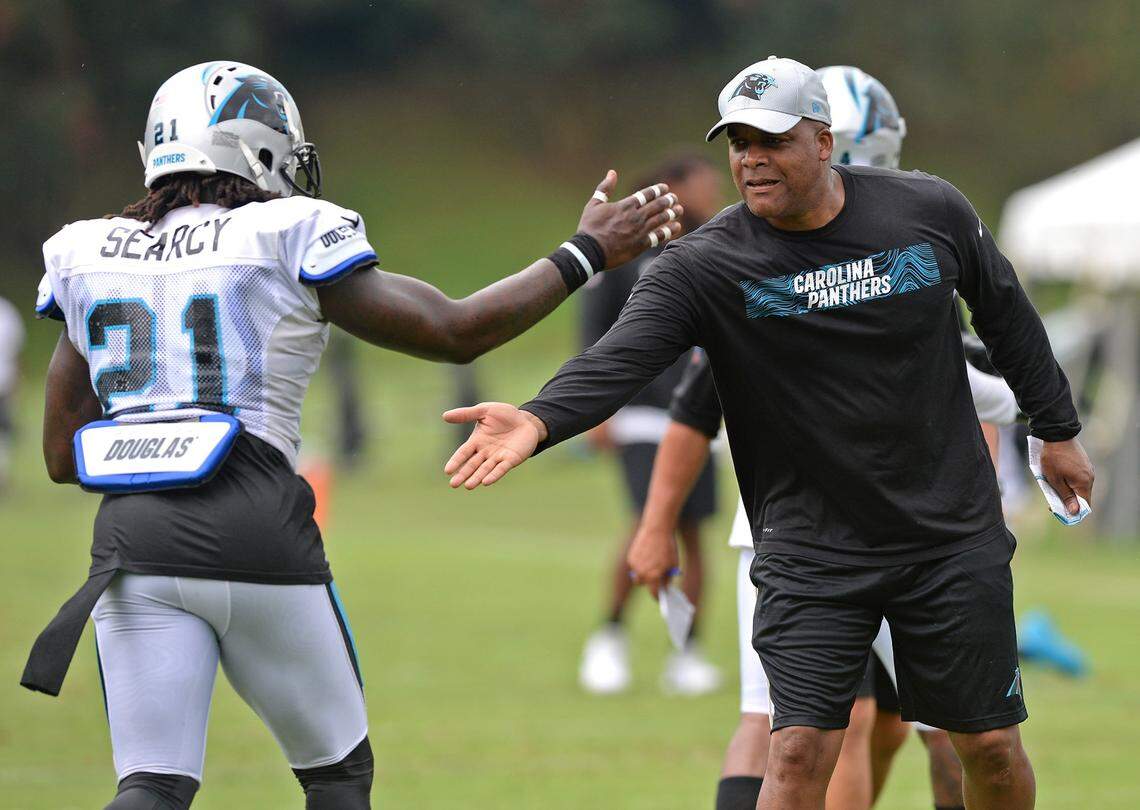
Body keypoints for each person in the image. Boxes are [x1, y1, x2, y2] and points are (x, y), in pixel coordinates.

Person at [23, 60, 682, 810]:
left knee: (151, 786)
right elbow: (454, 331)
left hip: (132, 547)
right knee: (337, 779)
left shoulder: (87, 253)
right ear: (256, 146)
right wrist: (584, 252)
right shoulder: (284, 231)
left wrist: (158, 432)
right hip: (255, 528)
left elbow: (57, 452)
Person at [443, 55, 1094, 810]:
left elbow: (1006, 313)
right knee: (795, 755)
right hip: (811, 550)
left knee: (988, 747)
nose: (752, 159)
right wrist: (537, 417)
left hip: (946, 536)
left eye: (772, 140)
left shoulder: (928, 212)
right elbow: (621, 359)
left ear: (823, 141)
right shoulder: (706, 267)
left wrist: (1058, 429)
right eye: (739, 142)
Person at [627, 66, 1021, 810]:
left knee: (929, 729)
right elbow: (692, 406)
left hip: (920, 528)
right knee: (799, 731)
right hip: (802, 533)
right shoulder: (749, 267)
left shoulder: (911, 243)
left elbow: (971, 389)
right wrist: (653, 527)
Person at [578, 153, 725, 696]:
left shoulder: (716, 240)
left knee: (692, 533)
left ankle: (686, 652)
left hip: (700, 415)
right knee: (648, 523)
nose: (714, 192)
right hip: (639, 411)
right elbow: (594, 327)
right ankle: (609, 638)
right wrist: (597, 407)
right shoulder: (627, 241)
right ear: (674, 188)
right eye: (705, 183)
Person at [0, 294, 25, 494]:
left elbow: (15, 352)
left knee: (4, 432)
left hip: (4, 382)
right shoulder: (7, 312)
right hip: (5, 381)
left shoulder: (7, 313)